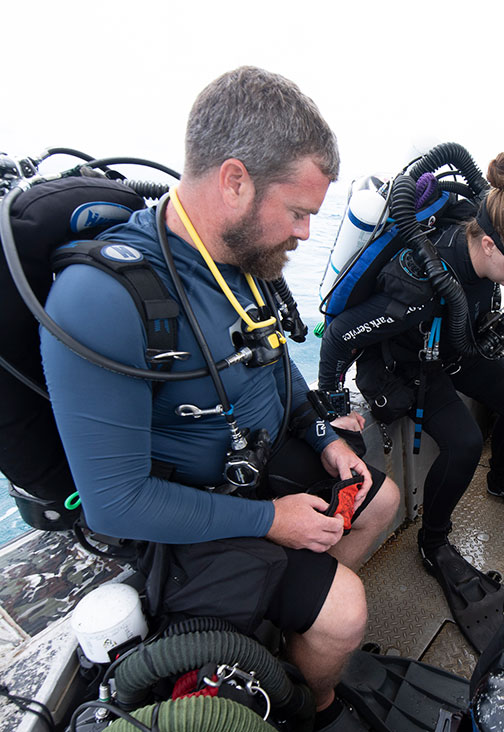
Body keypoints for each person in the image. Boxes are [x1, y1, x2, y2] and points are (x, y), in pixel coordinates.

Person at [41, 67, 399, 731]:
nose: (301, 233)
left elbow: (274, 367)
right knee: (346, 612)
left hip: (256, 471)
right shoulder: (104, 299)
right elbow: (115, 504)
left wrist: (322, 438)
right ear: (235, 181)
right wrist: (272, 525)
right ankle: (311, 706)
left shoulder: (239, 262)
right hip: (179, 520)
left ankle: (291, 634)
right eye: (297, 213)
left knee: (384, 501)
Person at [318, 152, 504, 643]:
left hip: (459, 346)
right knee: (465, 442)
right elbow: (339, 336)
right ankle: (433, 543)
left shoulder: (486, 236)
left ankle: (502, 480)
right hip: (414, 365)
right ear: (489, 245)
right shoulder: (420, 283)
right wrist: (334, 408)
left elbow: (484, 318)